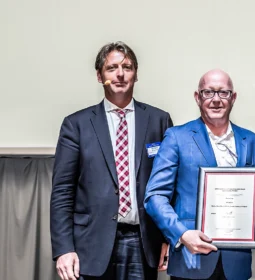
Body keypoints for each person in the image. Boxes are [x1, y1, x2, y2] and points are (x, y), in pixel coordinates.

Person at [50, 41, 173, 280]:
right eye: (112, 68)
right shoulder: (77, 125)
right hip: (90, 245)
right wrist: (64, 249)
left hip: (144, 242)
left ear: (135, 75)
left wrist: (168, 238)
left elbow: (170, 186)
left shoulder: (159, 121)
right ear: (99, 76)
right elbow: (62, 192)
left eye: (127, 67)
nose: (119, 74)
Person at [144, 69, 255, 280]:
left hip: (236, 264)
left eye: (223, 93)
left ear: (233, 98)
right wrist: (182, 234)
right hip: (190, 259)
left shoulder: (252, 141)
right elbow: (154, 197)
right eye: (208, 93)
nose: (216, 100)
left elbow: (253, 200)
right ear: (198, 97)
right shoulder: (177, 137)